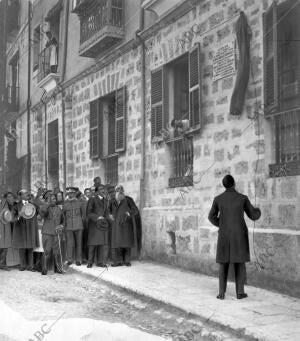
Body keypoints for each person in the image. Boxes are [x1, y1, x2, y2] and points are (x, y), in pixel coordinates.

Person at [208, 175, 261, 300]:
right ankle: (240, 292)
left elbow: (211, 217)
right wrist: (259, 210)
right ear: (234, 184)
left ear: (224, 185)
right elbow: (253, 215)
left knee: (223, 263)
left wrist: (221, 224)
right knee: (240, 262)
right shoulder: (242, 198)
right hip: (239, 235)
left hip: (224, 234)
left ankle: (221, 293)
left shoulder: (218, 199)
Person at [112, 185, 142, 266]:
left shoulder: (128, 199)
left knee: (126, 243)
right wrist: (110, 215)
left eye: (121, 190)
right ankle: (118, 261)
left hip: (126, 225)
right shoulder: (113, 200)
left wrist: (129, 213)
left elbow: (135, 209)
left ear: (123, 191)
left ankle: (127, 261)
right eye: (117, 190)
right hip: (117, 225)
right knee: (117, 244)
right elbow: (109, 210)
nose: (119, 191)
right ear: (115, 191)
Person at [12, 189, 39, 271]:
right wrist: (19, 215)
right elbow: (12, 218)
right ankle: (22, 265)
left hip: (30, 227)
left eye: (28, 193)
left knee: (30, 247)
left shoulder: (32, 204)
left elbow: (38, 213)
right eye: (25, 193)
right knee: (22, 247)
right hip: (21, 228)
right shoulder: (16, 206)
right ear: (21, 196)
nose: (28, 194)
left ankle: (31, 266)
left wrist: (34, 203)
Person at [39, 193, 64, 275]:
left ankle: (58, 268)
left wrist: (61, 225)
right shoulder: (44, 207)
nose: (54, 200)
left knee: (57, 252)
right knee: (47, 251)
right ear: (48, 200)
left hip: (56, 233)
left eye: (54, 199)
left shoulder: (59, 209)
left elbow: (63, 220)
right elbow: (43, 214)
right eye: (52, 199)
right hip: (47, 232)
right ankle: (44, 268)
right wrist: (47, 204)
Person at [86, 184, 109, 268]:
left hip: (102, 225)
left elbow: (106, 213)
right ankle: (90, 262)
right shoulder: (92, 199)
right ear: (96, 192)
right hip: (94, 225)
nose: (103, 190)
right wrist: (97, 217)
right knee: (92, 244)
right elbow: (88, 213)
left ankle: (101, 262)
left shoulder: (106, 200)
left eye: (103, 189)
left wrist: (107, 220)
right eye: (100, 189)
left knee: (102, 244)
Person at [63, 187, 85, 266]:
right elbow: (63, 215)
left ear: (75, 194)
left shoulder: (79, 202)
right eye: (69, 193)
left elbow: (83, 214)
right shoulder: (65, 203)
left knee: (79, 243)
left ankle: (78, 259)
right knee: (69, 243)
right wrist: (64, 225)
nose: (70, 195)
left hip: (78, 225)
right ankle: (70, 259)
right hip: (68, 226)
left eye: (72, 193)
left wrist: (82, 224)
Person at [0, 192, 16, 271]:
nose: (10, 198)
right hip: (0, 226)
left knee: (5, 244)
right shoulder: (2, 202)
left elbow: (11, 216)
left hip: (6, 226)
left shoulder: (11, 205)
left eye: (11, 196)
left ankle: (2, 264)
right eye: (9, 196)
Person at [81, 188, 92, 264]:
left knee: (91, 241)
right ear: (84, 194)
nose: (88, 194)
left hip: (92, 224)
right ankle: (84, 257)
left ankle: (91, 257)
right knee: (85, 241)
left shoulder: (93, 200)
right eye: (86, 192)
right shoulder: (82, 202)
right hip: (84, 223)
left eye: (89, 192)